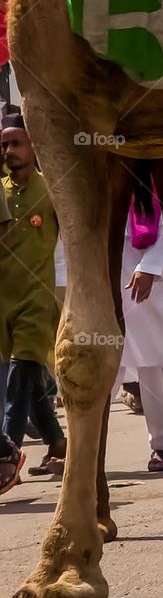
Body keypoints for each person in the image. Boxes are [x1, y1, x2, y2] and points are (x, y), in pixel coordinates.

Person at [0, 114, 65, 473]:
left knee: (19, 374)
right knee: (32, 376)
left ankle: (6, 453)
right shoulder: (0, 191)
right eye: (4, 144)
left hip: (38, 300)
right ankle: (56, 439)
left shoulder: (54, 188)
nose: (9, 150)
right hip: (3, 300)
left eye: (16, 142)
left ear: (35, 145)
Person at [118, 181, 163, 473]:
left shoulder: (151, 177)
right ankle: (87, 447)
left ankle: (162, 445)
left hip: (142, 281)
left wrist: (150, 267)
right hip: (105, 280)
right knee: (99, 366)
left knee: (151, 364)